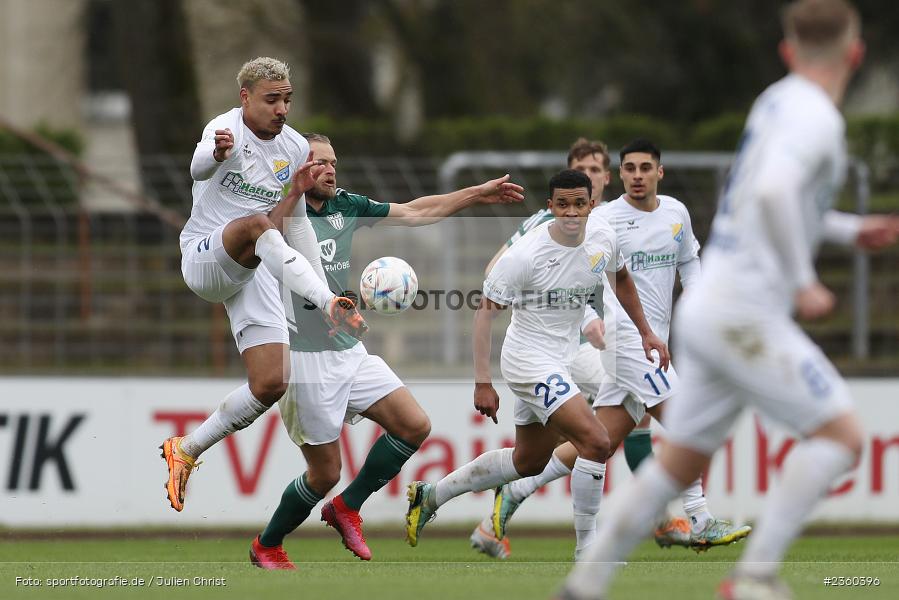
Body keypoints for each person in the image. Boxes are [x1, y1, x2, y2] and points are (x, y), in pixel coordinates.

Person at [558, 2, 899, 598]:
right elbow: (771, 195)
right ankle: (756, 578)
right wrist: (802, 279)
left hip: (708, 304)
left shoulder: (775, 101)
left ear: (788, 52)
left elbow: (775, 201)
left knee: (677, 466)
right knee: (841, 438)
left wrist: (846, 229)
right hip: (745, 310)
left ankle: (583, 586)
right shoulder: (818, 116)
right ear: (857, 53)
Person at [248, 133, 525, 569]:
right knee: (325, 474)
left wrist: (476, 193)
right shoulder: (275, 215)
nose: (329, 169)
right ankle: (268, 543)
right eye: (318, 162)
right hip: (304, 356)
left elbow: (416, 212)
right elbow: (267, 236)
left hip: (348, 348)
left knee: (414, 425)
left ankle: (347, 508)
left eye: (333, 161)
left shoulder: (346, 206)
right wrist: (293, 192)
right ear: (297, 168)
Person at [481, 140, 752, 559]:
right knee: (686, 419)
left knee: (599, 441)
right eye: (631, 168)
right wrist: (592, 322)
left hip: (651, 336)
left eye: (646, 167)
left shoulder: (675, 213)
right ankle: (698, 517)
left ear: (658, 172)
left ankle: (515, 491)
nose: (638, 174)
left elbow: (689, 262)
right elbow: (583, 281)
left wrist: (698, 312)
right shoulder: (600, 219)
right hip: (623, 341)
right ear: (619, 175)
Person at [404, 169, 669, 562]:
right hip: (528, 359)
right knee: (595, 441)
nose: (571, 213)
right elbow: (483, 313)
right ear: (550, 207)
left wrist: (646, 332)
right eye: (562, 204)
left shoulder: (603, 238)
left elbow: (623, 280)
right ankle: (588, 551)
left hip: (562, 359)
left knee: (527, 462)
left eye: (579, 203)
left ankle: (432, 496)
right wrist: (482, 382)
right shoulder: (525, 254)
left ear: (591, 205)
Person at [161, 57, 367, 513]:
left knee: (272, 382)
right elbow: (196, 169)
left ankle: (187, 449)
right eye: (272, 99)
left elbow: (297, 226)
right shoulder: (226, 129)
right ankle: (324, 300)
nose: (281, 109)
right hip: (206, 255)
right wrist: (215, 154)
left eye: (287, 99)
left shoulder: (294, 147)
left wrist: (324, 293)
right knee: (256, 222)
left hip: (250, 270)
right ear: (246, 97)